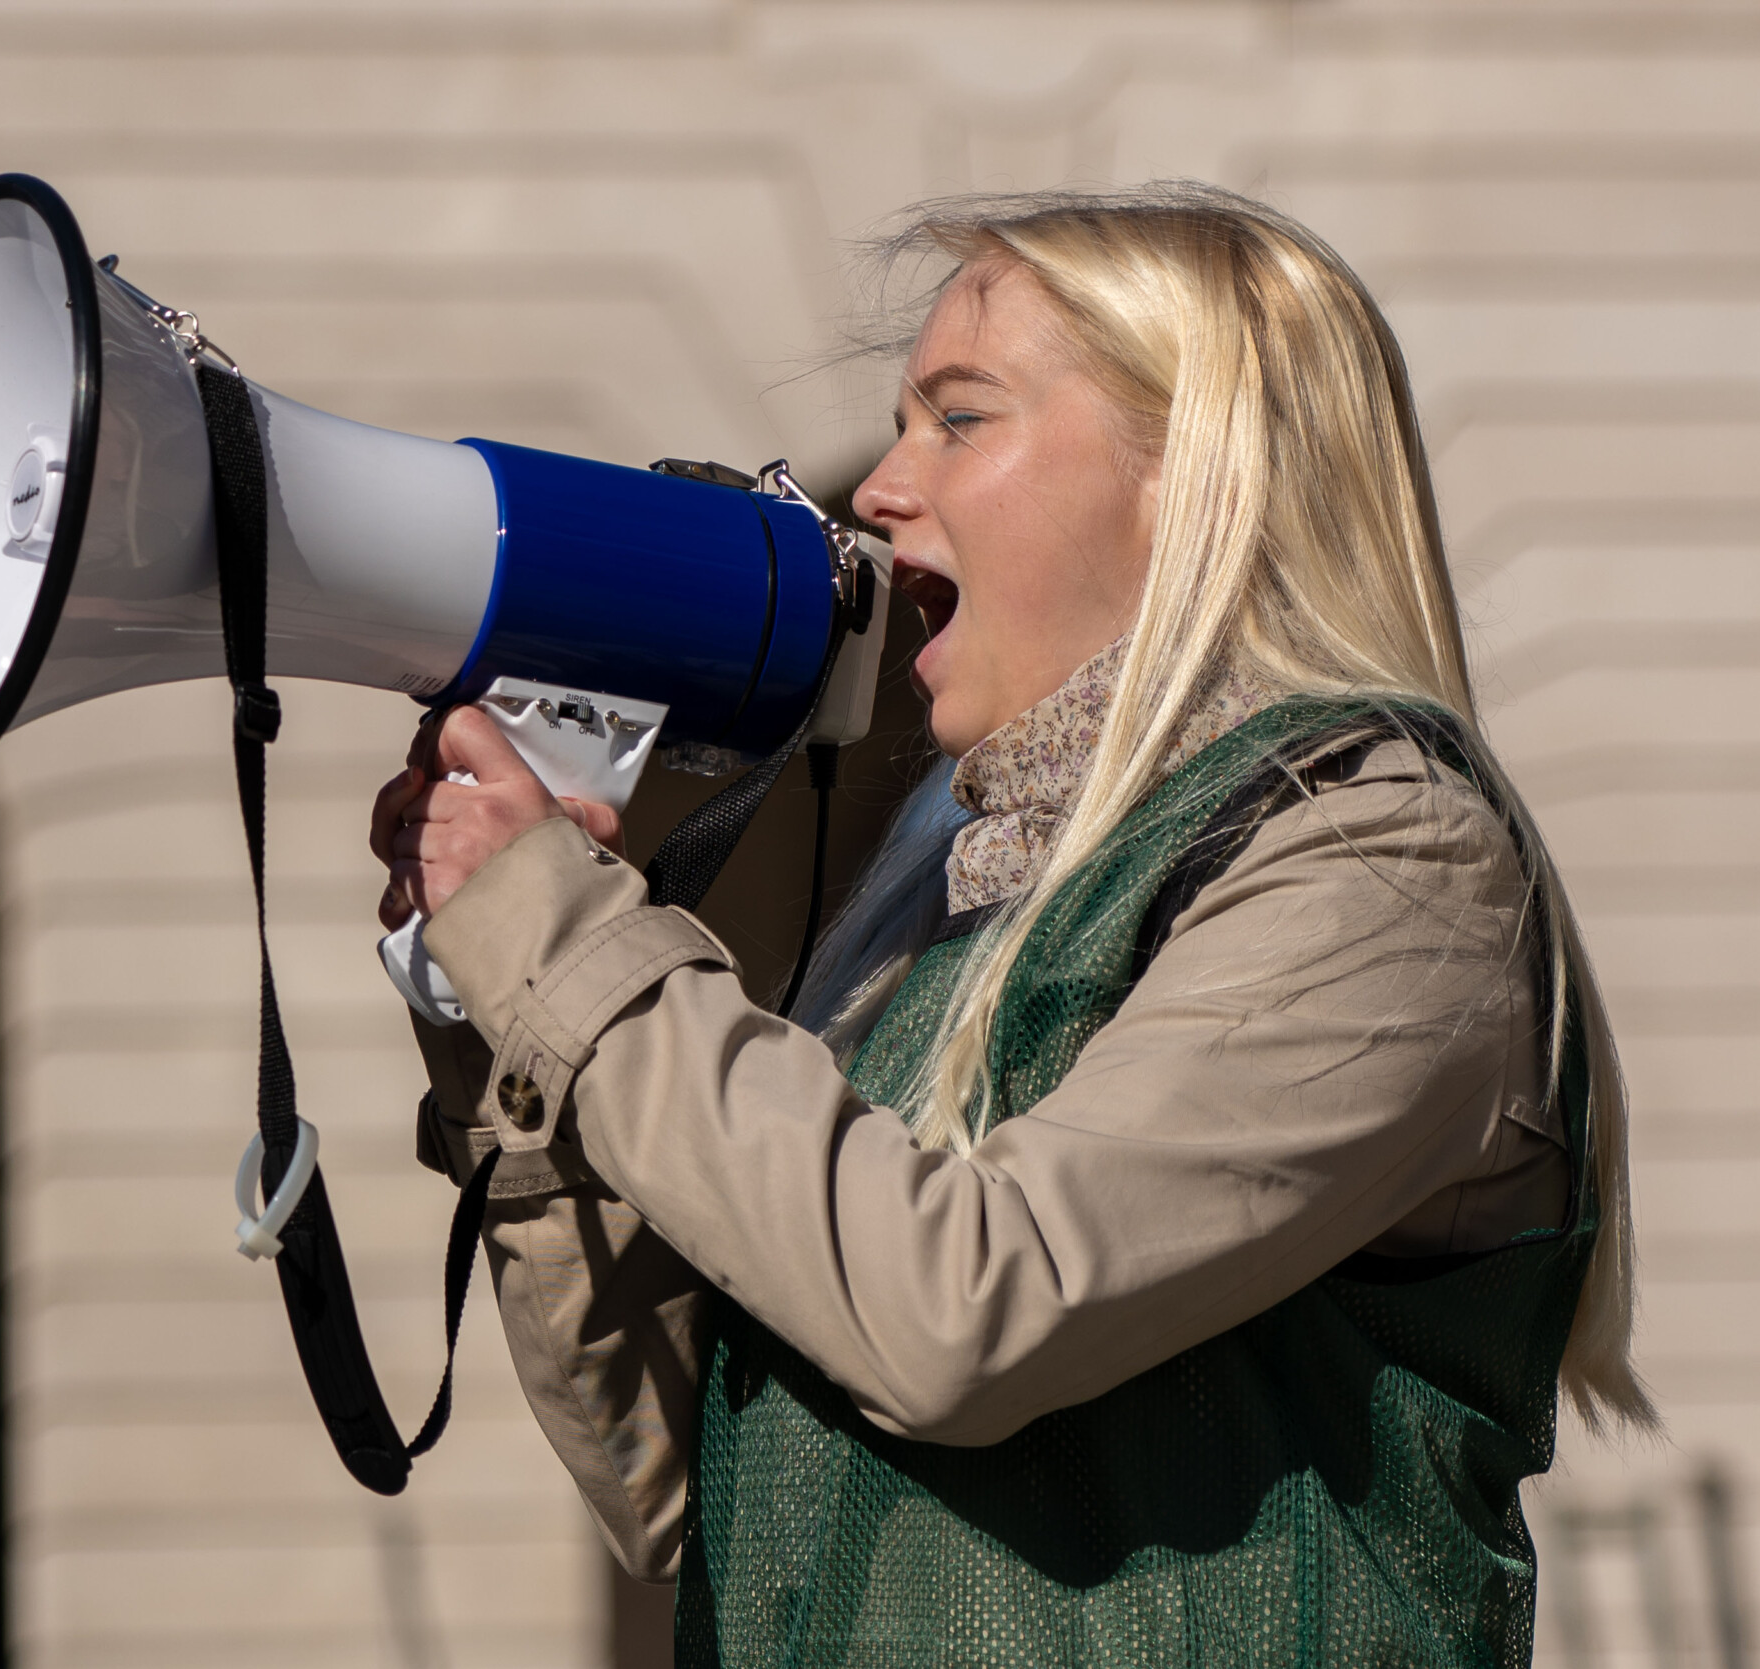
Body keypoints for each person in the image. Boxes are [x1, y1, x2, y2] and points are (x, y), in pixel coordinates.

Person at [369, 183, 1654, 1668]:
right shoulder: (961, 879)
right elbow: (691, 1486)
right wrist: (505, 1019)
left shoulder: (1385, 859)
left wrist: (568, 942)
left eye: (959, 421)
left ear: (1198, 476)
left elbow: (961, 1307)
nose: (877, 491)